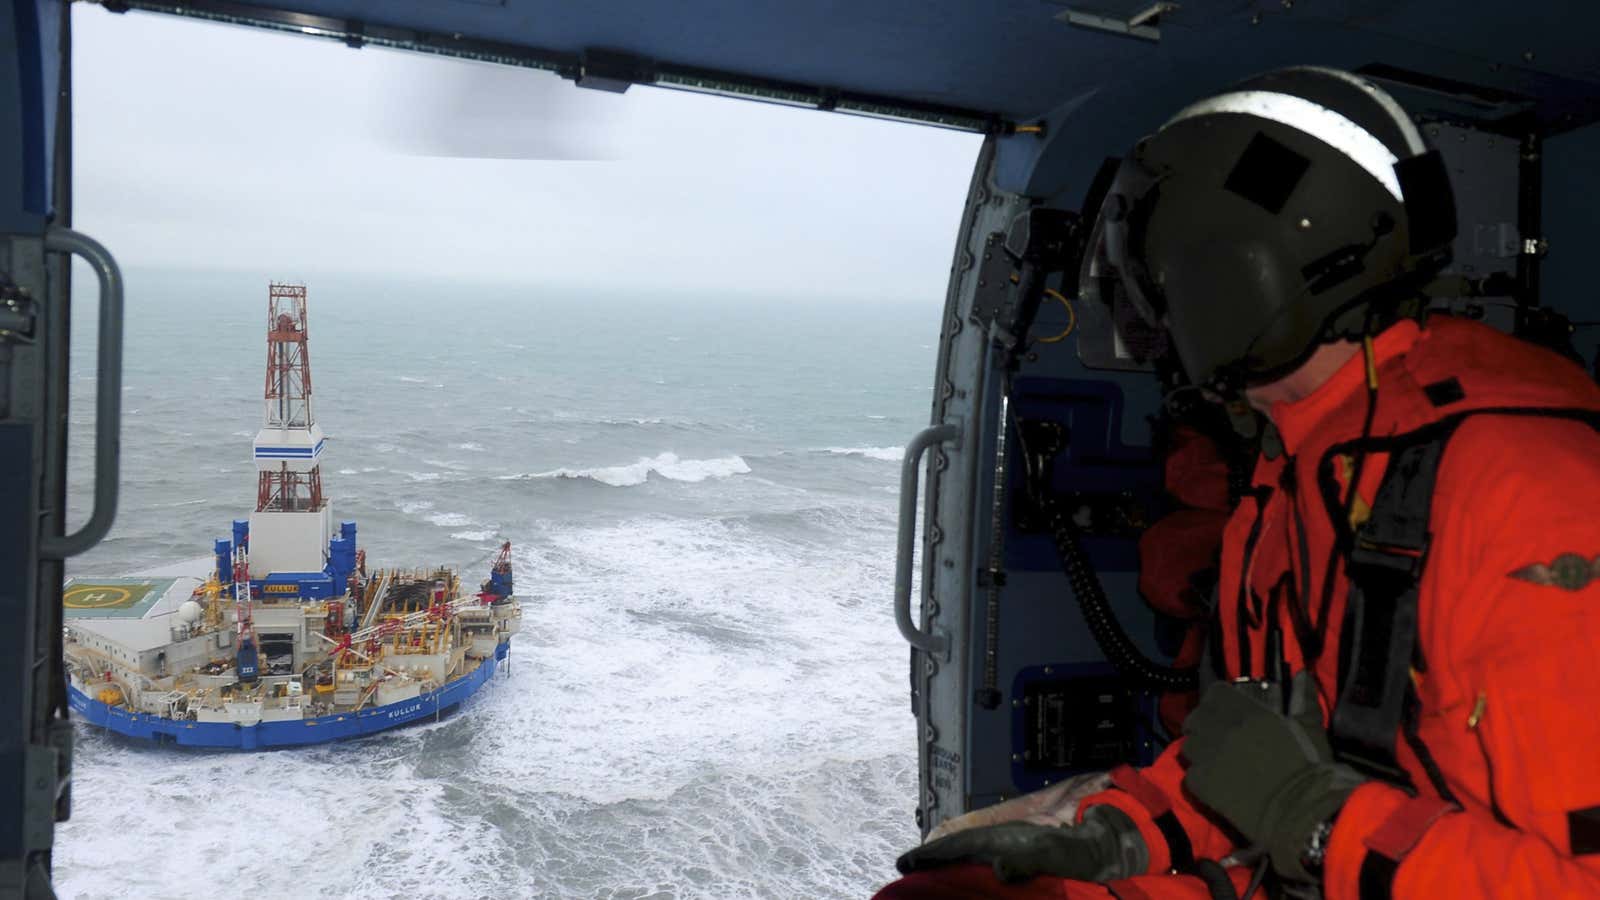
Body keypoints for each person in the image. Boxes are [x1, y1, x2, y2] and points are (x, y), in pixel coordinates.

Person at [876, 65, 1600, 899]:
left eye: (1161, 282)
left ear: (1231, 274)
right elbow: (1257, 756)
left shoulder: (1528, 492)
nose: (1158, 317)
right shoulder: (1302, 463)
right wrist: (1121, 834)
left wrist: (1314, 819)